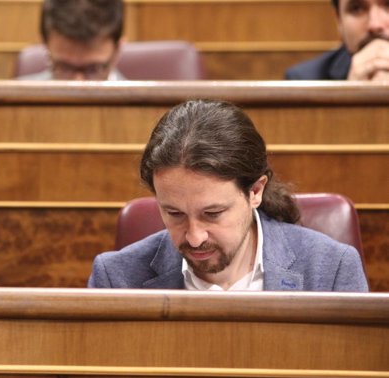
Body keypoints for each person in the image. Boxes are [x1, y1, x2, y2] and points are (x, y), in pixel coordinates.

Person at [88, 99, 368, 291]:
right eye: (174, 214)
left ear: (255, 191)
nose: (194, 237)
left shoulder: (332, 270)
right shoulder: (116, 277)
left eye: (213, 214)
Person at [286, 0, 389, 81]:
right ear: (338, 20)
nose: (374, 24)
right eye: (356, 8)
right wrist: (352, 95)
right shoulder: (303, 80)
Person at [18, 0, 126, 81]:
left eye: (93, 69)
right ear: (46, 44)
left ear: (117, 51)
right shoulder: (15, 96)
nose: (78, 82)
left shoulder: (140, 98)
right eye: (64, 67)